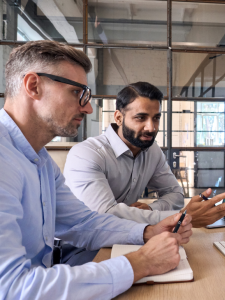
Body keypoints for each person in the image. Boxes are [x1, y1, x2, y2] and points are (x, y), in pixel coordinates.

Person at [0, 40, 193, 299]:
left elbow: (83, 222)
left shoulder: (40, 160)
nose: (88, 107)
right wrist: (141, 263)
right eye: (76, 93)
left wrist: (147, 231)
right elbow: (12, 289)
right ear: (34, 86)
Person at [64, 82, 225, 227]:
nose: (151, 128)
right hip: (81, 250)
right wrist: (181, 217)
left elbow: (175, 194)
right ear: (118, 118)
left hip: (127, 237)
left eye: (156, 118)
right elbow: (104, 215)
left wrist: (150, 210)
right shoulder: (86, 154)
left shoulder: (152, 150)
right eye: (140, 118)